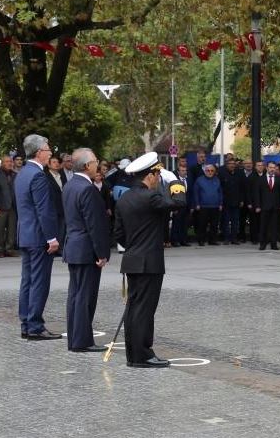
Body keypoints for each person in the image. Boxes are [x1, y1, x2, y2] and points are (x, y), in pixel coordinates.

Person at [114, 152, 187, 367]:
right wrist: (174, 179)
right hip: (149, 262)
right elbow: (179, 202)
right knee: (144, 310)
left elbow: (118, 234)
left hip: (132, 260)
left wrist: (135, 248)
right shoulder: (151, 197)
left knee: (134, 308)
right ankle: (143, 355)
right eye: (157, 174)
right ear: (150, 175)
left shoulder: (124, 198)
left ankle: (133, 354)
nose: (158, 180)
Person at [61, 148, 111, 353]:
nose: (97, 164)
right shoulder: (88, 189)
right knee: (85, 296)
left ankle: (76, 337)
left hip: (73, 246)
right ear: (87, 165)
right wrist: (101, 253)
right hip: (86, 249)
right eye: (95, 161)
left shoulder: (70, 185)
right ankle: (82, 341)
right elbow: (94, 224)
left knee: (75, 295)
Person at [15, 134, 63, 340]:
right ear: (38, 153)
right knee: (39, 282)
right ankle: (35, 325)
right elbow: (44, 210)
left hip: (26, 233)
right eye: (47, 149)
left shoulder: (22, 173)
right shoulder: (38, 175)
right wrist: (51, 238)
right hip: (38, 236)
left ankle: (26, 322)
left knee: (27, 281)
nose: (50, 152)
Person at [253, 161, 280, 251]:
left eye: (274, 167)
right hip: (264, 207)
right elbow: (257, 193)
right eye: (270, 167)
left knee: (274, 226)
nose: (272, 169)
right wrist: (258, 206)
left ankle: (273, 244)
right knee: (263, 226)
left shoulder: (279, 179)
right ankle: (262, 244)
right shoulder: (260, 179)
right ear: (266, 168)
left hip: (275, 207)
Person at [0, 155, 18, 257]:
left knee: (12, 230)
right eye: (7, 162)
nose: (9, 163)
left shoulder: (16, 175)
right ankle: (0, 250)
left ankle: (9, 249)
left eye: (11, 161)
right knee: (0, 229)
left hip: (13, 206)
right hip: (1, 207)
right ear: (2, 164)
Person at [192, 164, 223, 245]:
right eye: (208, 170)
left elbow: (220, 193)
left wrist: (220, 203)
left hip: (215, 206)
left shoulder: (217, 179)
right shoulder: (199, 180)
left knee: (214, 225)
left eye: (212, 170)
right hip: (203, 206)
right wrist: (197, 204)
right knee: (202, 225)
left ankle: (212, 240)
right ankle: (201, 240)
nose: (210, 172)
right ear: (205, 171)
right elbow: (196, 193)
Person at [220, 158, 246, 245]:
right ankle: (226, 238)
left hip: (237, 202)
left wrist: (242, 200)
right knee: (226, 221)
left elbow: (243, 188)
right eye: (230, 163)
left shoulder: (240, 173)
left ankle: (234, 238)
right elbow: (220, 188)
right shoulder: (222, 173)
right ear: (227, 165)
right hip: (226, 202)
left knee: (235, 221)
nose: (232, 165)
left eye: (233, 164)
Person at [169, 161, 191, 247]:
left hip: (187, 205)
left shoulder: (189, 179)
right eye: (182, 170)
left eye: (185, 170)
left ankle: (184, 240)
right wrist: (173, 207)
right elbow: (172, 194)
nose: (184, 172)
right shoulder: (174, 181)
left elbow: (190, 193)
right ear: (178, 172)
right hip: (177, 206)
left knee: (185, 224)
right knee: (176, 224)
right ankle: (175, 240)